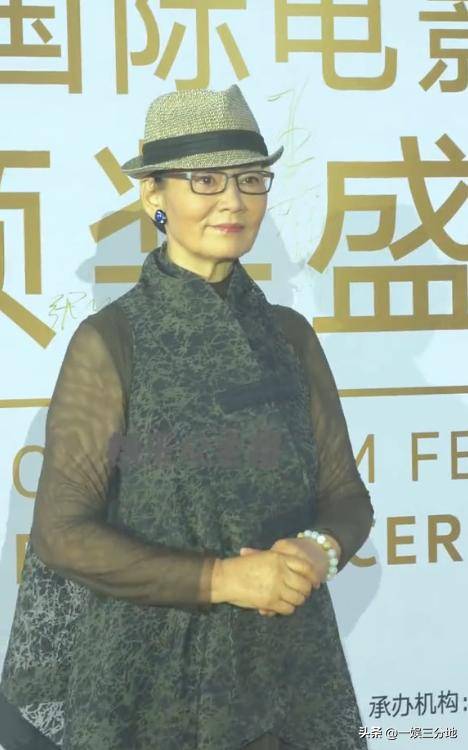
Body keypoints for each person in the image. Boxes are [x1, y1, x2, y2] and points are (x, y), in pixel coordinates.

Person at [0, 84, 374, 750]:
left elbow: (346, 497)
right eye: (205, 180)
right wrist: (224, 579)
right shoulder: (112, 340)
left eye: (250, 179)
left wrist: (316, 551)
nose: (233, 200)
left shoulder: (290, 337)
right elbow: (60, 535)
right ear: (154, 193)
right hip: (145, 677)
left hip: (284, 670)